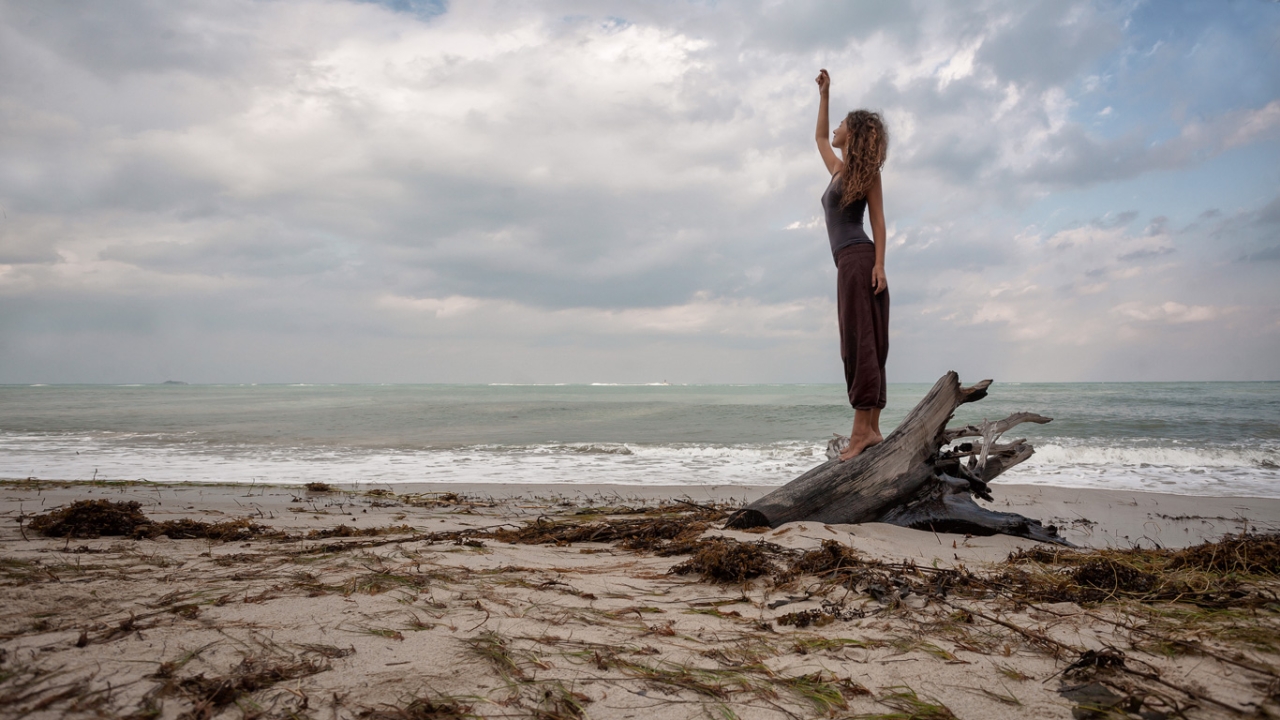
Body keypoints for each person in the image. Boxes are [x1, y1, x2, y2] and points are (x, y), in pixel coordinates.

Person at [814, 69, 890, 461]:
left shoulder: (867, 174)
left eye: (843, 122)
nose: (836, 127)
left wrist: (879, 265)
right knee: (863, 343)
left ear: (855, 134)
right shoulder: (840, 171)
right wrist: (826, 96)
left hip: (859, 262)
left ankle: (862, 434)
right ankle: (872, 428)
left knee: (862, 343)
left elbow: (878, 222)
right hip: (850, 262)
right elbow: (818, 138)